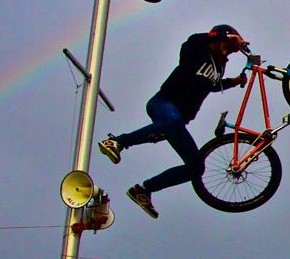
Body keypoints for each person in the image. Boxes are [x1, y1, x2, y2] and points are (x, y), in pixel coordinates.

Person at [97, 24, 251, 219]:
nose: (227, 50)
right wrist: (228, 36)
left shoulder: (219, 66)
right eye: (225, 44)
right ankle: (117, 142)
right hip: (163, 103)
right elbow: (192, 40)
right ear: (216, 39)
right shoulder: (196, 49)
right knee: (171, 121)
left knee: (196, 168)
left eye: (230, 49)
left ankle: (144, 190)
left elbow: (212, 86)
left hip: (178, 121)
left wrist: (236, 81)